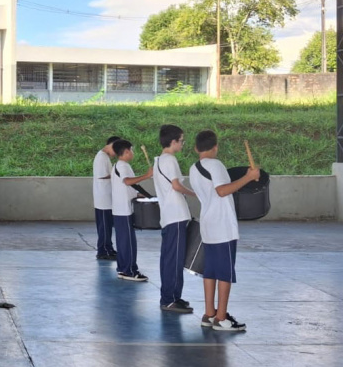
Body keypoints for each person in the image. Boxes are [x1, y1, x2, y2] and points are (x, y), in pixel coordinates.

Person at [189, 130, 259, 332]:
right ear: (215, 147)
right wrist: (249, 177)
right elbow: (222, 190)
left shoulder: (194, 168)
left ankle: (209, 313)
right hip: (222, 226)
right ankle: (221, 318)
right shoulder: (215, 165)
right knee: (225, 273)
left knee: (210, 271)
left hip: (208, 225)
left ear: (196, 148)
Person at [153, 125, 197, 313]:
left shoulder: (158, 160)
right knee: (174, 259)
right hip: (176, 216)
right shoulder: (170, 160)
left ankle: (172, 296)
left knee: (170, 258)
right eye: (181, 140)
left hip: (170, 216)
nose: (183, 143)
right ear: (173, 142)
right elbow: (177, 186)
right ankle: (169, 299)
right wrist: (196, 194)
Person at [111, 139, 153, 282]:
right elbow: (127, 181)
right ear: (127, 151)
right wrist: (147, 175)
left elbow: (126, 187)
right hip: (123, 211)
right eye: (132, 150)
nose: (133, 153)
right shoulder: (123, 166)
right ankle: (129, 271)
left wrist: (137, 194)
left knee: (124, 241)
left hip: (121, 210)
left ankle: (124, 269)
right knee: (128, 242)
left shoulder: (120, 165)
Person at [93, 136, 120, 261]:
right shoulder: (101, 157)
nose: (116, 154)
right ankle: (103, 251)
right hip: (102, 199)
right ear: (112, 145)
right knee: (104, 226)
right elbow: (102, 176)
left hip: (107, 198)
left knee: (108, 226)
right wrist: (117, 174)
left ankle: (108, 248)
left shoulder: (105, 157)